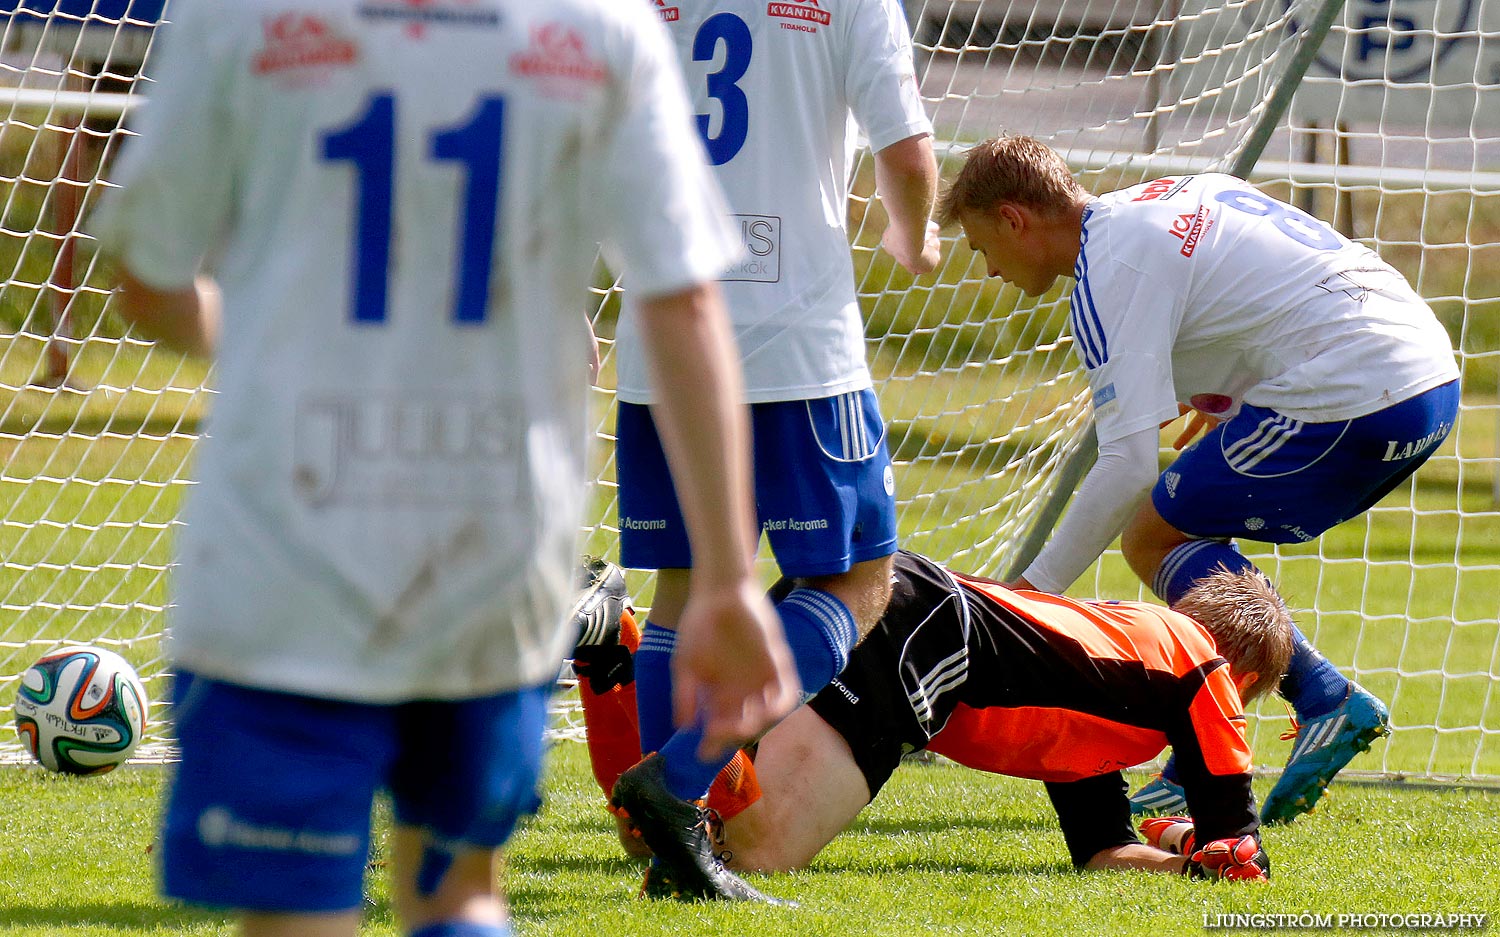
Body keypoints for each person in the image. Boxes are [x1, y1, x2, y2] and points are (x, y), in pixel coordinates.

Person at [92, 3, 800, 936]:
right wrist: (724, 575)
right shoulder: (597, 24)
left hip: (283, 549)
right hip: (491, 552)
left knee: (297, 911)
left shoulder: (244, 13)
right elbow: (681, 300)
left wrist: (257, 330)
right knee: (459, 890)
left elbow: (144, 275)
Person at [935, 135, 1461, 824]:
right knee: (1183, 530)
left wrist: (1030, 597)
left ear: (1013, 220)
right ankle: (1228, 740)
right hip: (1429, 374)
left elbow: (1126, 463)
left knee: (1152, 535)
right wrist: (1224, 395)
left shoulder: (1106, 274)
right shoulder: (1166, 196)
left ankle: (1303, 705)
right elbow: (1259, 290)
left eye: (980, 249)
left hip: (1355, 389)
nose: (990, 271)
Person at [608, 0, 942, 902]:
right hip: (795, 340)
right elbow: (906, 154)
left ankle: (668, 847)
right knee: (860, 583)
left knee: (679, 582)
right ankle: (677, 786)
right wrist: (914, 235)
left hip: (660, 326)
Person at [573, 550, 1291, 882]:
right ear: (1244, 678)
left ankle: (615, 655)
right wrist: (1227, 844)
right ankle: (633, 658)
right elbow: (1240, 843)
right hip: (917, 632)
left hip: (889, 605)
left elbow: (1104, 850)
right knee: (754, 851)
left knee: (668, 836)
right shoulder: (1200, 658)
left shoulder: (1116, 683)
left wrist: (1178, 863)